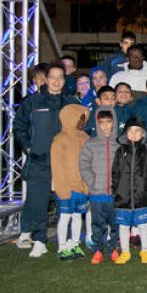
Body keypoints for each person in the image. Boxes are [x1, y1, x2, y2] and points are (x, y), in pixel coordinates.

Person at [15, 65, 79, 258]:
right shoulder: (32, 101)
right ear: (46, 79)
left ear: (65, 80)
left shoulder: (71, 102)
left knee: (65, 202)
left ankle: (66, 241)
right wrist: (28, 147)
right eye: (53, 77)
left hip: (65, 163)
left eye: (60, 77)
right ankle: (40, 240)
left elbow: (82, 130)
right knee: (38, 200)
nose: (56, 81)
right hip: (39, 160)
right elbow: (19, 126)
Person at [50, 104, 91, 260]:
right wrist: (61, 189)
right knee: (65, 217)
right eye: (79, 118)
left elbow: (88, 164)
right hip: (66, 188)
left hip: (81, 187)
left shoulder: (85, 137)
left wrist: (87, 185)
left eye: (83, 119)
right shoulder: (60, 139)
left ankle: (74, 243)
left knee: (77, 216)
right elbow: (57, 167)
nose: (81, 122)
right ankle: (62, 247)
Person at [79, 109, 121, 264]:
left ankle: (113, 248)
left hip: (115, 195)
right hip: (97, 193)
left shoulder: (120, 143)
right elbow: (84, 164)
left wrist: (121, 185)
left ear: (113, 123)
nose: (105, 126)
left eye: (108, 122)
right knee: (97, 224)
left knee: (116, 224)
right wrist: (92, 181)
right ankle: (97, 250)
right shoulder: (91, 143)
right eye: (101, 123)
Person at [112, 116, 147, 264]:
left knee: (143, 225)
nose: (134, 134)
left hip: (141, 197)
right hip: (123, 197)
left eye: (138, 131)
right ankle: (125, 252)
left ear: (143, 134)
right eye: (131, 131)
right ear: (125, 133)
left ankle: (145, 251)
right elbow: (115, 173)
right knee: (123, 226)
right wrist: (115, 190)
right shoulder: (120, 151)